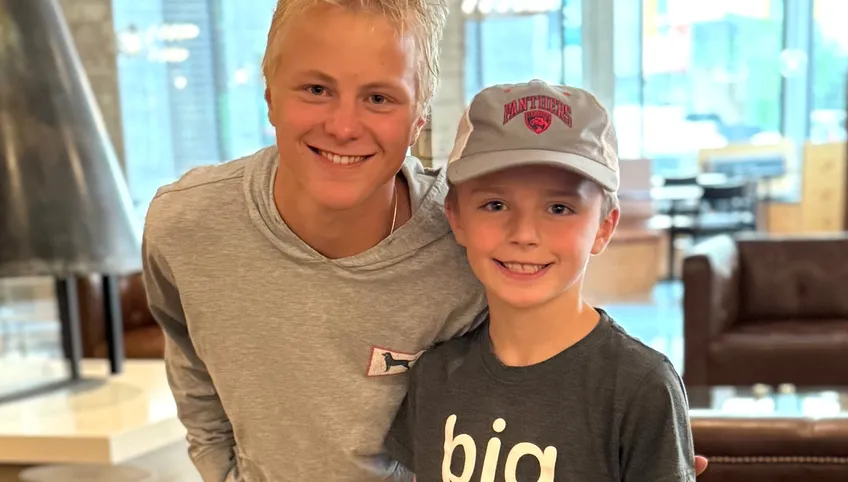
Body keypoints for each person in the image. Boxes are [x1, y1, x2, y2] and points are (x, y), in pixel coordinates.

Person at [140, 0, 708, 480]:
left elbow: (558, 352)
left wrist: (640, 438)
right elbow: (188, 354)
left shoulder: (465, 244)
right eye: (315, 88)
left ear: (419, 121)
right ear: (268, 93)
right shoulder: (184, 224)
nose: (343, 125)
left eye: (379, 98)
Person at [384, 80, 696, 481]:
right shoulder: (434, 377)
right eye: (495, 204)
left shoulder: (640, 388)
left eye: (559, 207)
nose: (525, 233)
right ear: (456, 217)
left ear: (603, 226)